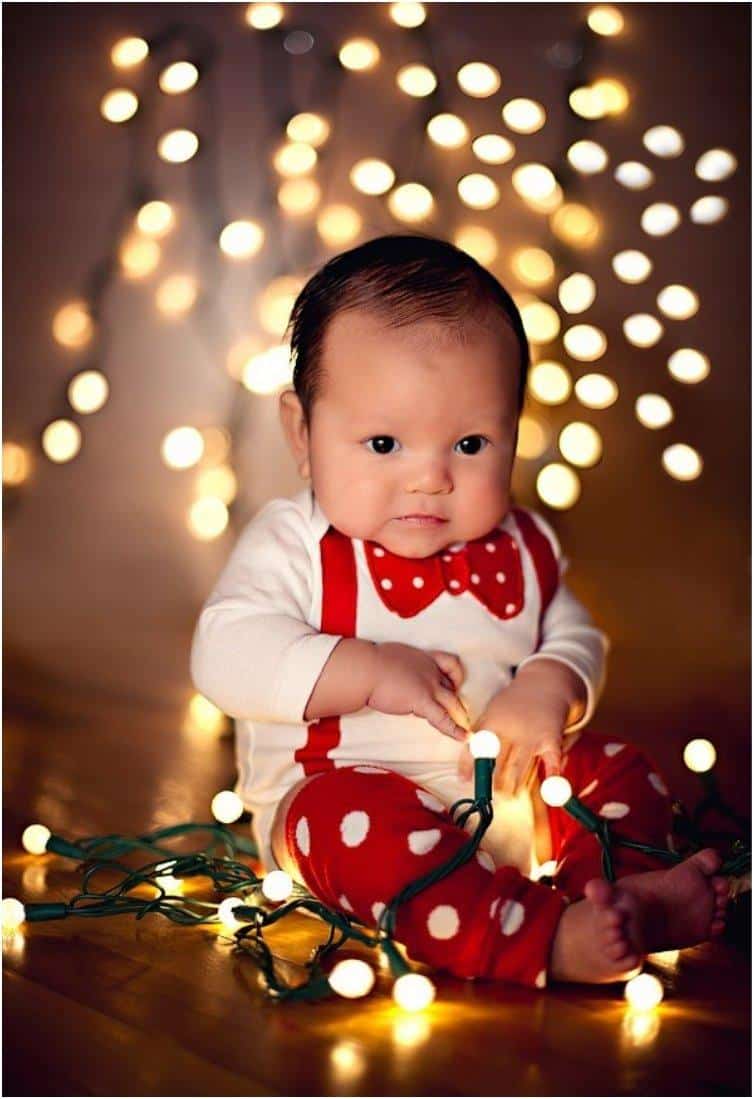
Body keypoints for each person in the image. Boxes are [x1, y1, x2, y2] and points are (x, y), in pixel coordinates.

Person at [191, 234, 728, 988]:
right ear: (302, 434)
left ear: (512, 431)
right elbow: (224, 651)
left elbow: (574, 630)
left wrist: (550, 682)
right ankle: (540, 940)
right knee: (346, 819)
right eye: (384, 442)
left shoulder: (523, 542)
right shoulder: (298, 544)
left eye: (471, 442)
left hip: (511, 809)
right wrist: (367, 670)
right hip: (349, 810)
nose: (431, 478)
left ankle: (619, 889)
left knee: (610, 767)